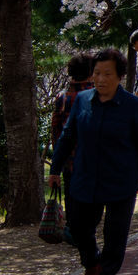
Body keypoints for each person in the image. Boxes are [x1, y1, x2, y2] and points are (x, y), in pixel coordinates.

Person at [49, 48, 138, 275]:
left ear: (120, 76)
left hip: (120, 178)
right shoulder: (83, 100)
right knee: (78, 227)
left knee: (116, 233)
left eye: (107, 74)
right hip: (85, 175)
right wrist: (55, 168)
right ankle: (91, 265)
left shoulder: (132, 105)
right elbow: (67, 136)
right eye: (97, 73)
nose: (101, 79)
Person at [50, 52, 94, 245]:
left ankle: (73, 231)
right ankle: (86, 233)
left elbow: (55, 129)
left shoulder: (62, 97)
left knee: (72, 195)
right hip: (91, 157)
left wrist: (56, 160)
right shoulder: (96, 95)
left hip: (68, 158)